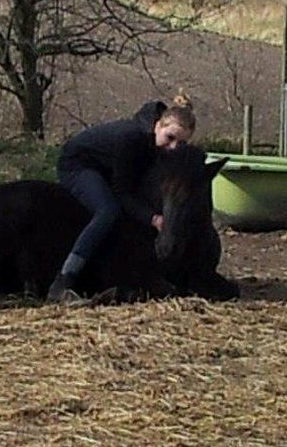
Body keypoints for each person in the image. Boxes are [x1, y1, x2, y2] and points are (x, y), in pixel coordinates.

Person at [47, 94, 196, 302]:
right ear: (158, 125)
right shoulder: (131, 138)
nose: (173, 148)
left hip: (107, 166)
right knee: (108, 211)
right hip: (79, 164)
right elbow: (122, 191)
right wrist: (152, 218)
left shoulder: (154, 141)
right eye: (170, 138)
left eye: (181, 144)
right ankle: (64, 280)